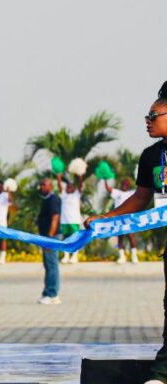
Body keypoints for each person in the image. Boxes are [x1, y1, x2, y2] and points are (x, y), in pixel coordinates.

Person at [85, 82, 167, 384]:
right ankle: (162, 375)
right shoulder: (150, 157)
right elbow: (140, 198)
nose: (147, 121)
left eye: (153, 114)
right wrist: (105, 218)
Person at [37, 178, 61, 305]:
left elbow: (55, 218)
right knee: (47, 265)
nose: (41, 186)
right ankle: (47, 292)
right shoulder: (45, 200)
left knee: (52, 265)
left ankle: (53, 294)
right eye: (41, 184)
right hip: (44, 236)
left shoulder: (53, 199)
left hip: (51, 237)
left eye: (44, 184)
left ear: (51, 186)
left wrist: (50, 238)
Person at [103, 178, 139, 263]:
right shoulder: (117, 193)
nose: (124, 186)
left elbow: (140, 191)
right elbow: (108, 189)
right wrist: (105, 179)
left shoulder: (132, 193)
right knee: (120, 238)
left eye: (126, 184)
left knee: (131, 237)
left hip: (128, 218)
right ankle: (122, 257)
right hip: (118, 219)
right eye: (123, 184)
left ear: (129, 186)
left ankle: (134, 256)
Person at [57, 173, 84, 264]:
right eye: (67, 187)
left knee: (75, 239)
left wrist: (80, 177)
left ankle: (74, 256)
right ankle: (66, 256)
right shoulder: (64, 195)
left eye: (70, 187)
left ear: (74, 188)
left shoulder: (76, 195)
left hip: (74, 221)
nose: (68, 188)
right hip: (64, 221)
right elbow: (60, 186)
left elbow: (80, 186)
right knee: (65, 239)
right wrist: (59, 177)